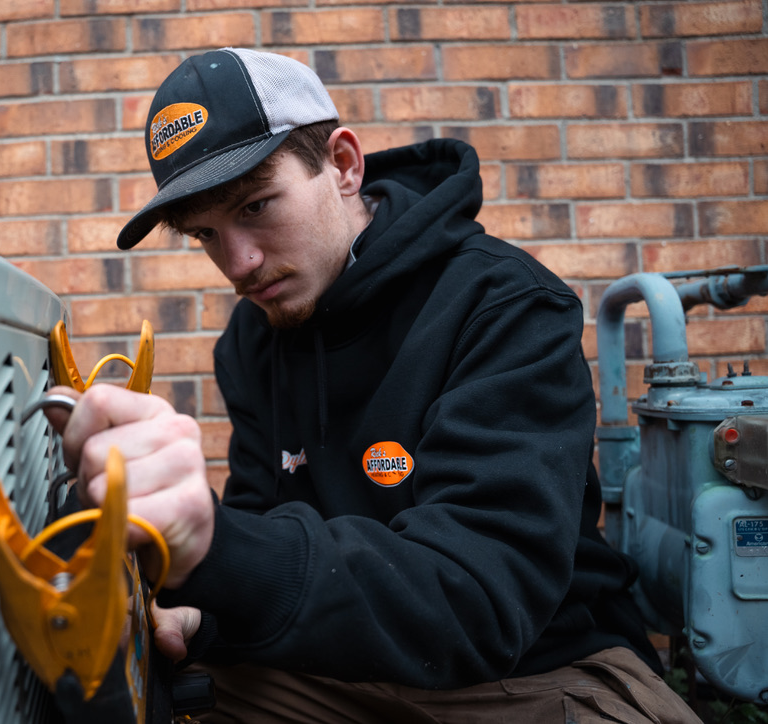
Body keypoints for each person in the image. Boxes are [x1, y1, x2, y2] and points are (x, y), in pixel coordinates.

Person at [43, 48, 700, 723]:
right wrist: (201, 616)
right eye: (205, 234)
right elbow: (271, 536)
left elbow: (478, 602)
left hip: (545, 669)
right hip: (348, 671)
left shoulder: (503, 304)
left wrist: (215, 543)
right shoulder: (252, 338)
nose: (237, 262)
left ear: (344, 166)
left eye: (258, 205)